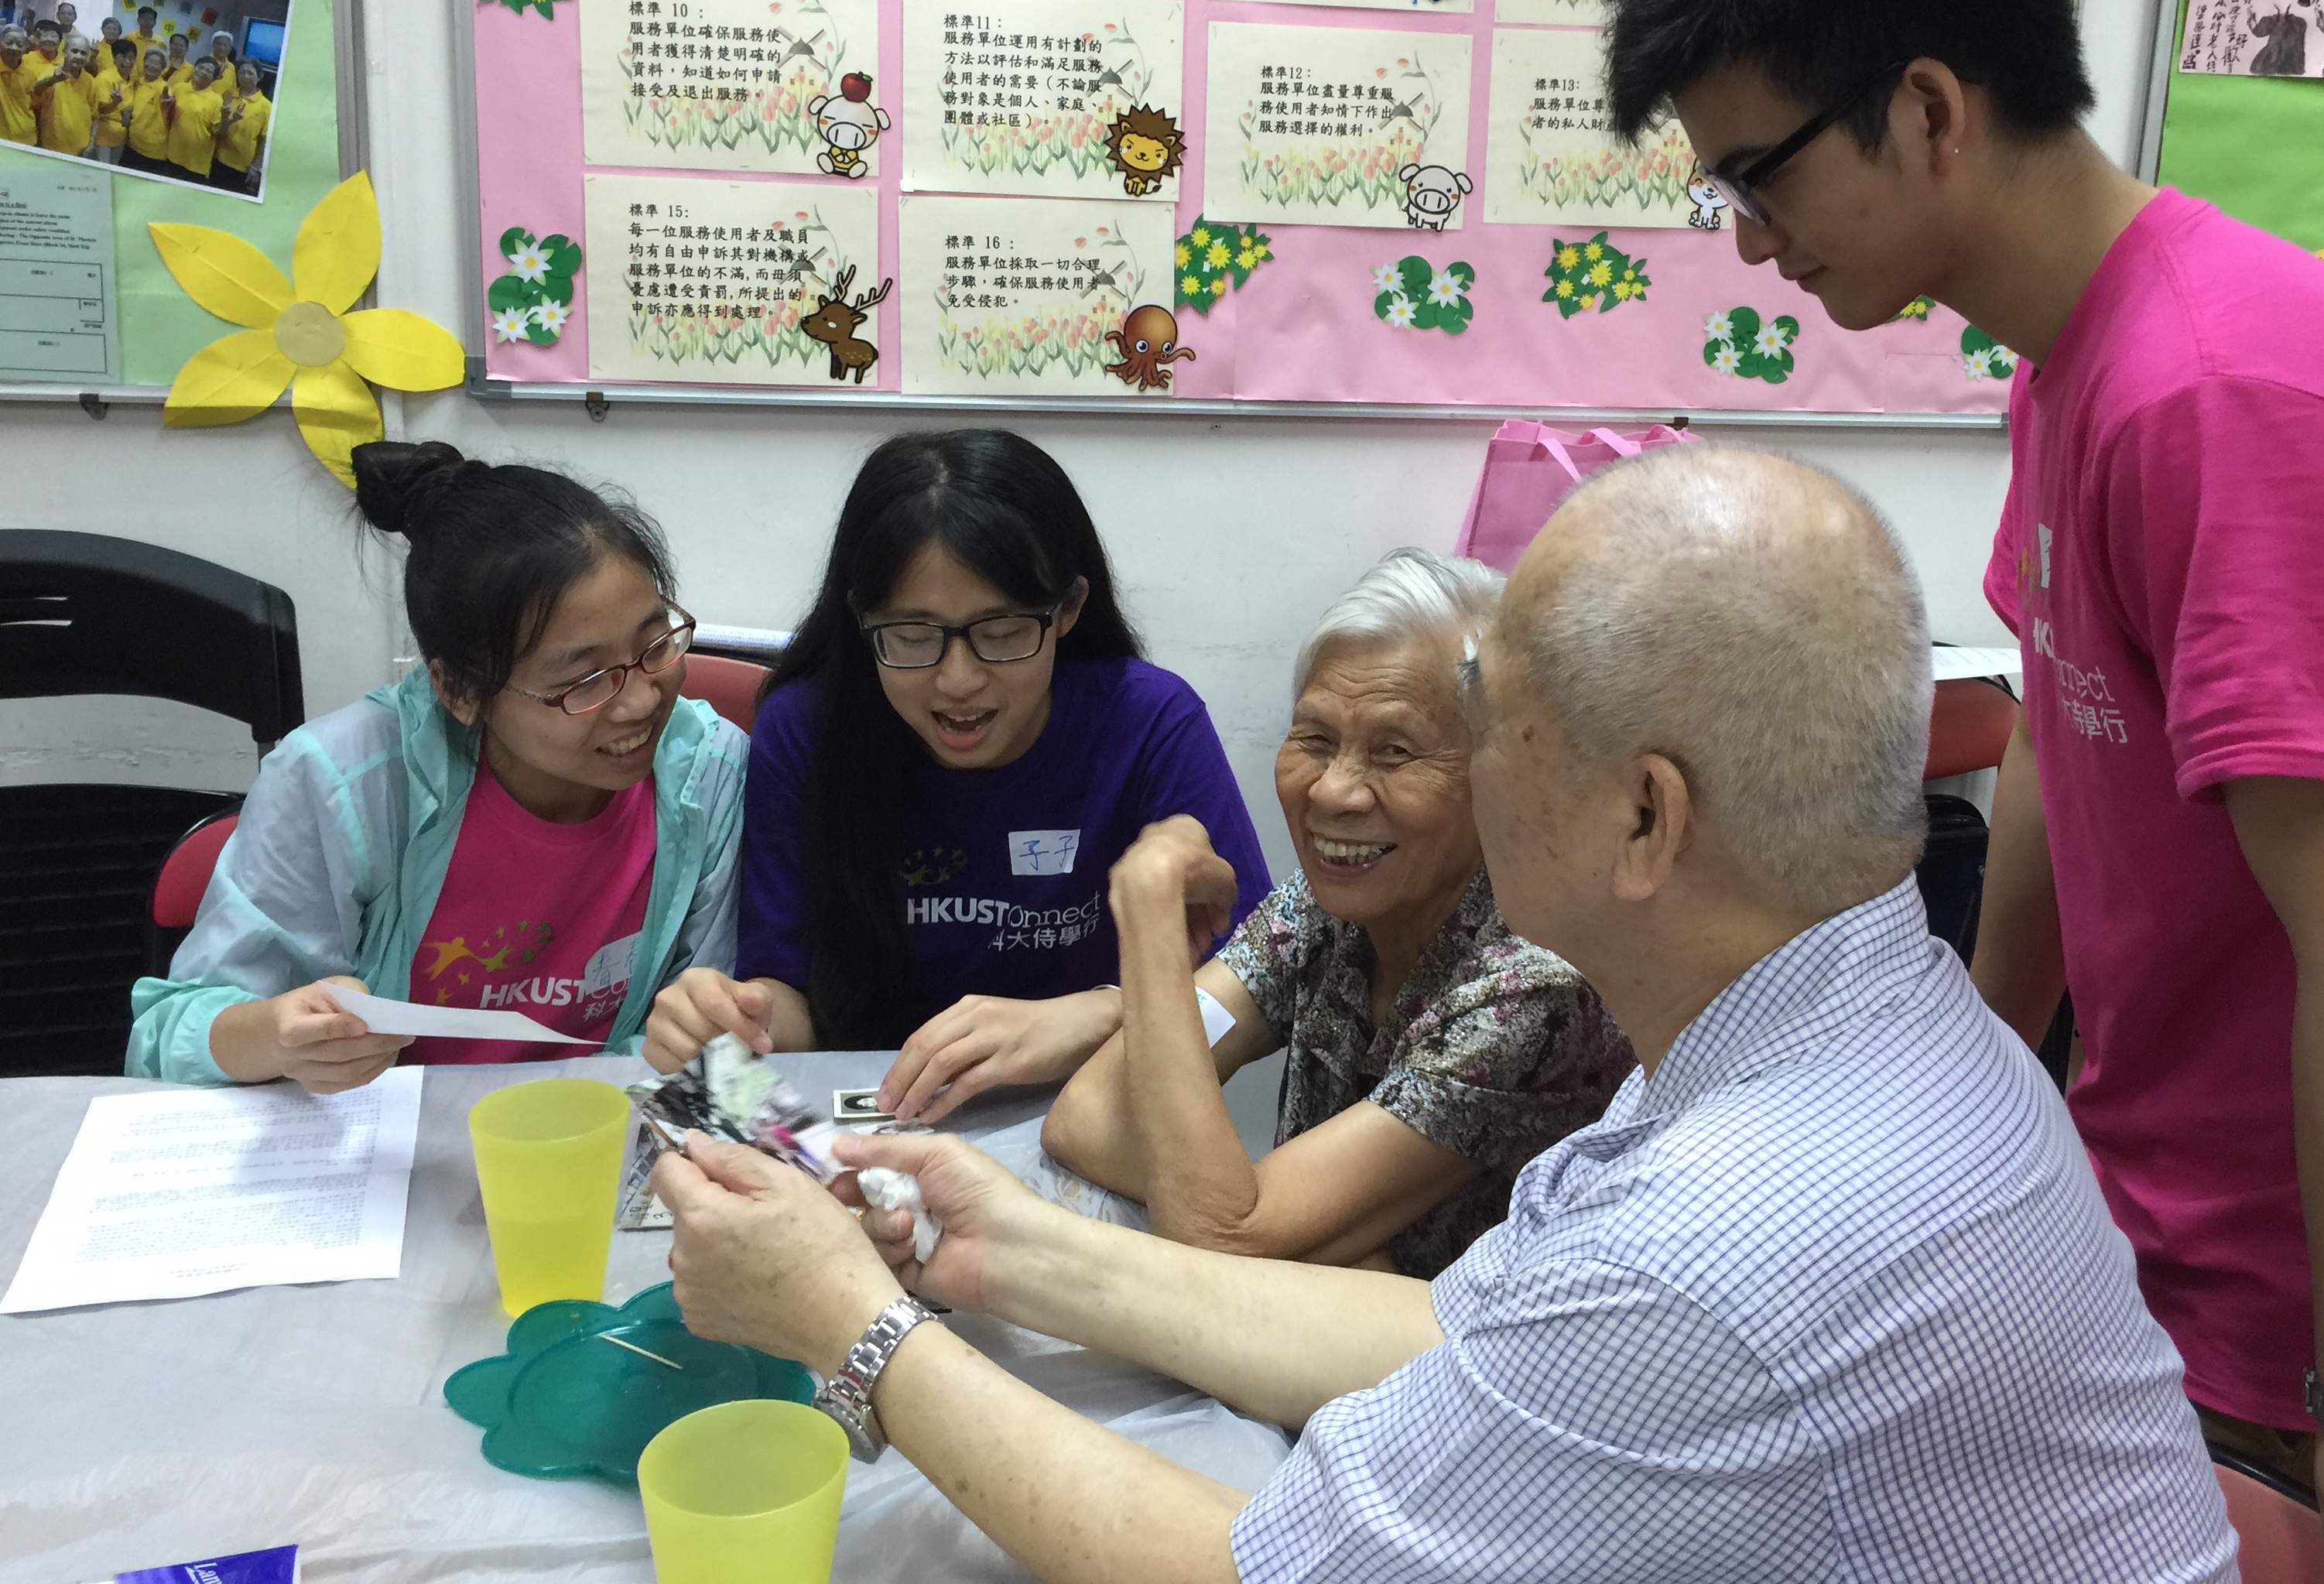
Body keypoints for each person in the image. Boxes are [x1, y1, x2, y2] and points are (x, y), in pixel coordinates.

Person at [652, 447, 2240, 1584]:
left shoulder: (1714, 1244)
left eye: (1495, 732)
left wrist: (854, 1332)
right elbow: (1451, 1336)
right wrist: (1006, 1245)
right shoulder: (1847, 1016)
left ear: (1644, 819)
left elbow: (1248, 1565)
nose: (1418, 785)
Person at [1601, 0, 2324, 1578]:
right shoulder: (2070, 356)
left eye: (1757, 174)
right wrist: (1950, 1075)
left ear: (1925, 109)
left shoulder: (2228, 393)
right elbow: (2054, 750)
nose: (1750, 243)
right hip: (2164, 1231)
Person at [642, 429, 1272, 1120]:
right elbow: (792, 1000)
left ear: (1067, 611)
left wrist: (1102, 1013)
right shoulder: (808, 728)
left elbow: (1265, 982)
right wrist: (740, 1020)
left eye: (1002, 632)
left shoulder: (1148, 719)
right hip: (877, 1119)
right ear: (860, 619)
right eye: (912, 636)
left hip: (1088, 1112)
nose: (958, 681)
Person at [1042, 549, 1632, 1275]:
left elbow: (1222, 1229)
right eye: (1315, 740)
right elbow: (1087, 1116)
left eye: (1395, 751)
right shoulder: (1328, 905)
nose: (1333, 793)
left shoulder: (1534, 989)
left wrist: (1152, 924)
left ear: (1499, 776)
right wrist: (1256, 1211)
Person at [130, 442, 748, 1089]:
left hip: (595, 1138)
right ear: (457, 690)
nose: (643, 700)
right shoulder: (342, 782)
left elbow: (707, 1048)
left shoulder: (705, 771)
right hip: (391, 1146)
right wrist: (278, 1038)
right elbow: (164, 1038)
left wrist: (714, 1026)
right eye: (585, 679)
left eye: (656, 645)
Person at [163, 54, 228, 181]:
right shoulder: (179, 87)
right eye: (201, 68)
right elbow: (169, 117)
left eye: (208, 71)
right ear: (195, 68)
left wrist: (226, 121)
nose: (203, 72)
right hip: (173, 155)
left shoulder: (217, 100)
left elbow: (217, 133)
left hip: (197, 163)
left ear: (214, 79)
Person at [209, 58, 269, 193]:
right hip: (216, 159)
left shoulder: (267, 106)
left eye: (250, 73)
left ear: (259, 76)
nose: (246, 76)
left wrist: (255, 168)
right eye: (242, 72)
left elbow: (264, 140)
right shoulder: (227, 95)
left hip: (243, 168)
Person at [34, 32, 94, 156]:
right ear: (65, 52)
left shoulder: (90, 80)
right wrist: (53, 80)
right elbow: (37, 90)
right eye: (74, 51)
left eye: (83, 53)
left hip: (81, 148)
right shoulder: (52, 71)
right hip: (53, 146)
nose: (79, 56)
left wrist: (91, 144)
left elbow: (95, 115)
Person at [118, 44, 173, 173]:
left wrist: (167, 105)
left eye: (157, 63)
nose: (152, 66)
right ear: (144, 62)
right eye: (150, 61)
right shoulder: (138, 82)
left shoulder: (164, 88)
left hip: (153, 151)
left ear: (163, 68)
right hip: (132, 144)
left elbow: (169, 108)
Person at [0, 24, 37, 149]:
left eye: (19, 44)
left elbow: (35, 105)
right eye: (9, 43)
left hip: (26, 139)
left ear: (26, 48)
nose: (13, 48)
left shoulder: (30, 73)